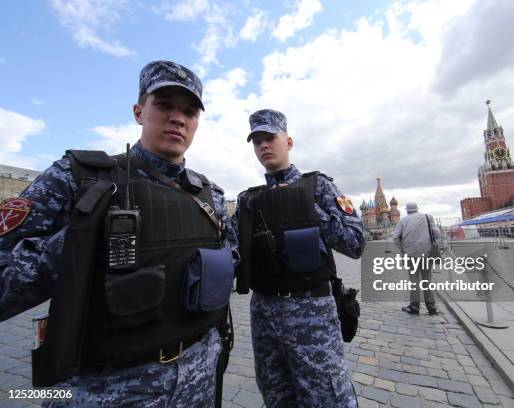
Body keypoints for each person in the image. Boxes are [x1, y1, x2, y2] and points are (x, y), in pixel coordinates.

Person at [0, 60, 238, 407]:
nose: (178, 118)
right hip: (106, 390)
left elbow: (232, 259)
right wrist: (80, 242)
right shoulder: (78, 178)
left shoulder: (211, 195)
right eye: (165, 105)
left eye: (189, 111)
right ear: (139, 111)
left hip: (197, 382)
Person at [233, 109, 364, 407]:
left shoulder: (317, 186)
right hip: (264, 312)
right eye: (257, 141)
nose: (264, 146)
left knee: (328, 396)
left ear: (288, 141)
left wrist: (305, 207)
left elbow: (354, 243)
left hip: (311, 310)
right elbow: (233, 253)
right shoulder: (248, 199)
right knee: (275, 393)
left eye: (270, 138)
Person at [392, 202, 440, 315]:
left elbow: (395, 238)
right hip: (427, 253)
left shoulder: (403, 221)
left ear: (407, 210)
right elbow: (436, 233)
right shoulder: (427, 217)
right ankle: (431, 307)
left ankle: (414, 306)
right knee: (427, 280)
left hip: (410, 255)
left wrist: (403, 249)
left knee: (414, 281)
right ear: (417, 209)